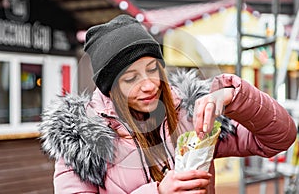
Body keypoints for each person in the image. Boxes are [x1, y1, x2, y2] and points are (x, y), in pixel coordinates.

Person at [39, 14, 297, 194]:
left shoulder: (189, 112)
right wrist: (158, 192)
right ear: (110, 88)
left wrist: (233, 97)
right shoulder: (81, 142)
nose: (149, 85)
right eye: (130, 78)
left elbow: (278, 138)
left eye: (153, 70)